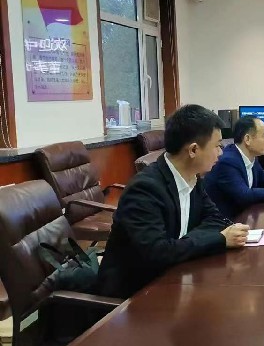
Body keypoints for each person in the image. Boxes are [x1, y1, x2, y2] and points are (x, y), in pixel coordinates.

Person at [97, 105, 249, 299]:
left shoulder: (193, 178)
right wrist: (218, 239)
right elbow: (157, 253)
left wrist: (181, 246)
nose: (221, 152)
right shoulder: (145, 189)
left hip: (175, 277)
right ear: (193, 150)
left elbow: (216, 219)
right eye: (217, 146)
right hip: (135, 295)